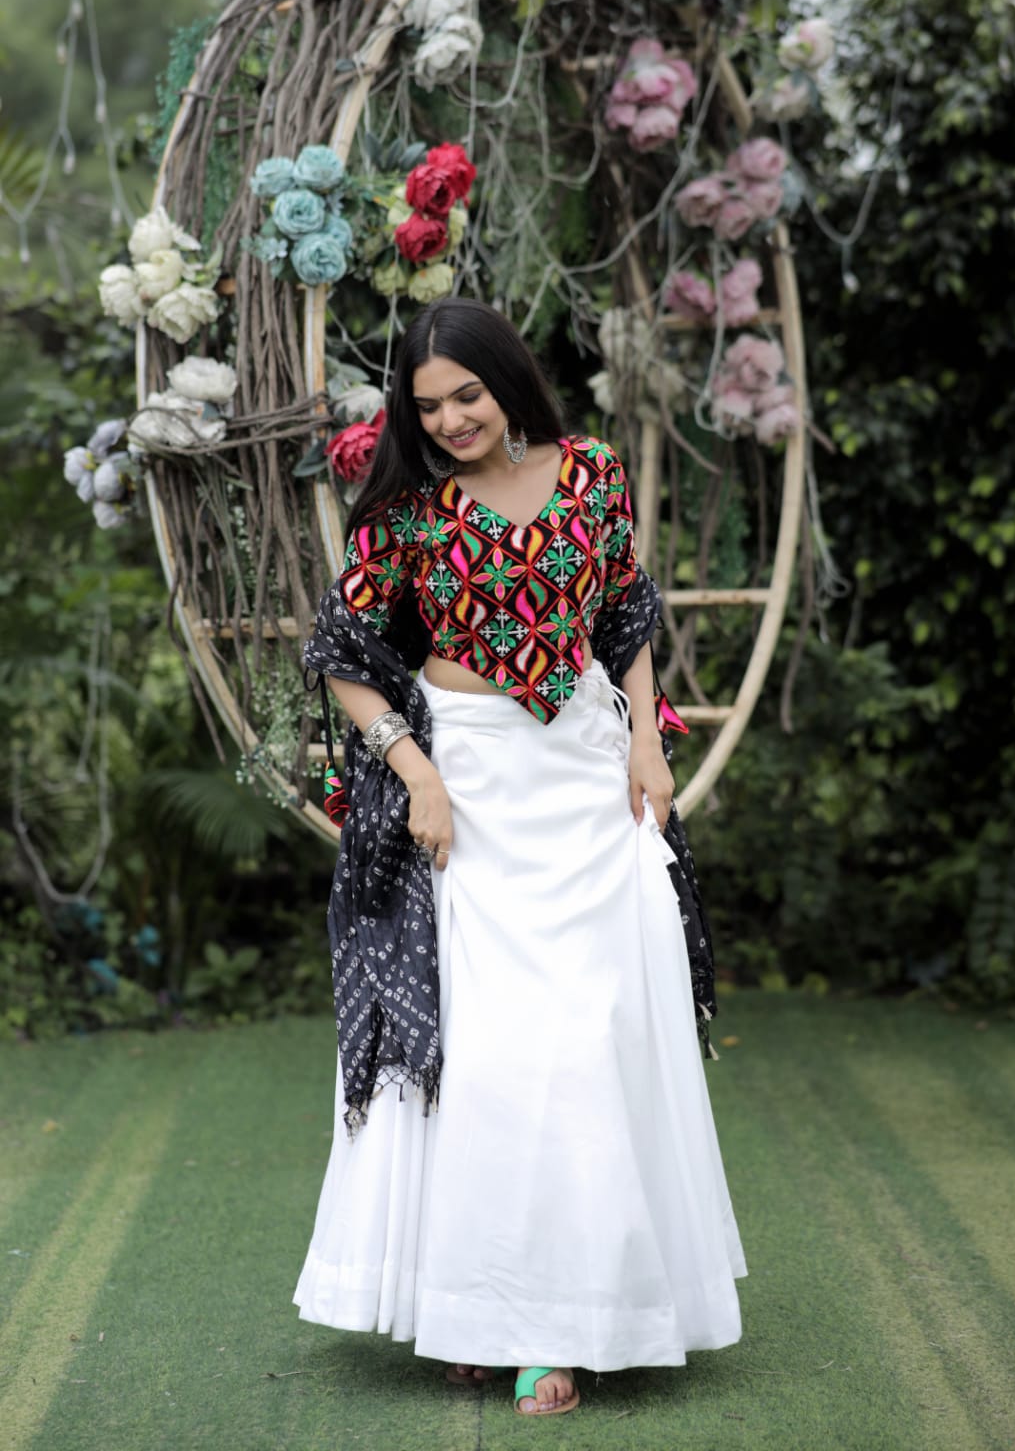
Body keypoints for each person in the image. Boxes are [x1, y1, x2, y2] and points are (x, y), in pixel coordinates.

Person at [294, 296, 746, 1418]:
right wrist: (418, 776)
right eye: (427, 404)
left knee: (595, 1042)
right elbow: (342, 653)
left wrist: (645, 736)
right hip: (477, 790)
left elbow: (626, 614)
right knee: (494, 1058)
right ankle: (484, 1311)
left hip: (590, 778)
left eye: (467, 395)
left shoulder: (592, 473)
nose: (449, 419)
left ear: (507, 381)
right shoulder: (405, 513)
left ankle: (575, 1319)